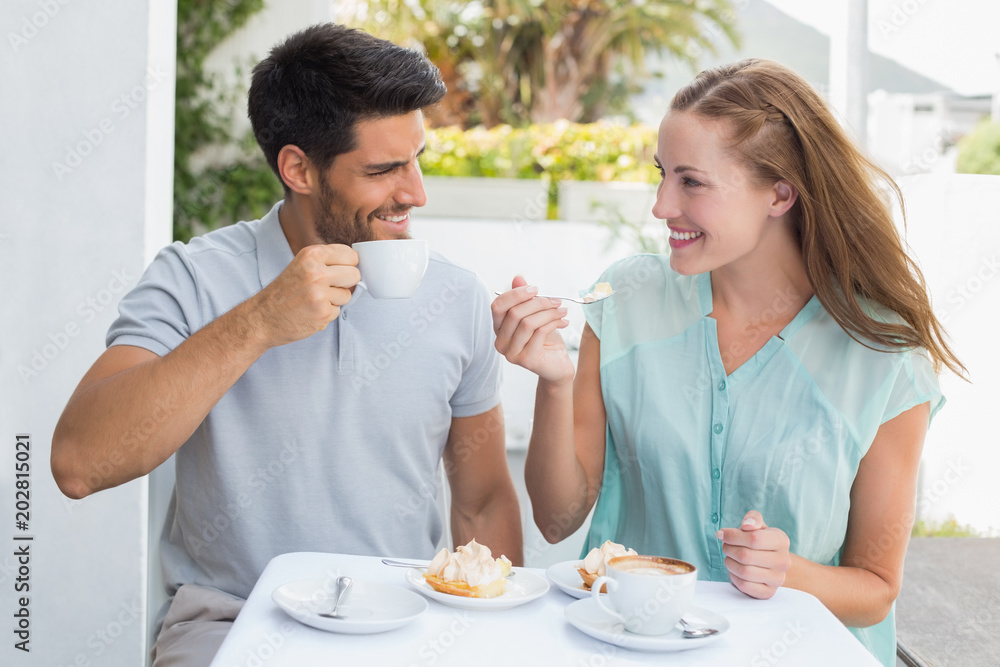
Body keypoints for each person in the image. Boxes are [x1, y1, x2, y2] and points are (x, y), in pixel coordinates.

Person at [51, 23, 523, 665]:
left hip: (407, 622)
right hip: (231, 620)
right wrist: (258, 323)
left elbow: (483, 501)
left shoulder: (455, 295)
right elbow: (80, 463)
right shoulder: (193, 278)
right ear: (298, 168)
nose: (416, 192)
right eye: (384, 170)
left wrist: (492, 641)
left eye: (416, 159)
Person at [492, 58, 964, 666]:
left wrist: (789, 572)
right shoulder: (627, 300)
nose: (661, 205)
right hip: (635, 652)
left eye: (691, 182)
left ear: (780, 193)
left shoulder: (883, 356)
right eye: (662, 174)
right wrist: (554, 383)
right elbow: (558, 521)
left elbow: (875, 590)